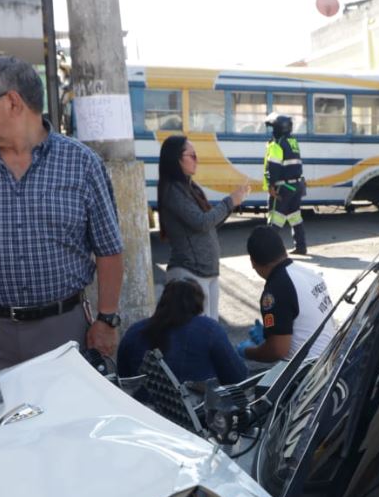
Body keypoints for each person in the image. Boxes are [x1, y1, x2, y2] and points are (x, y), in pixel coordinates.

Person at [0, 55, 125, 382]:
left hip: (62, 332)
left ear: (13, 101)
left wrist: (106, 320)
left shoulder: (82, 164)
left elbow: (109, 248)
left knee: (63, 428)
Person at [157, 134, 248, 320]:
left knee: (211, 330)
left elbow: (209, 224)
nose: (197, 161)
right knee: (199, 333)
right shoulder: (173, 190)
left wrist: (232, 204)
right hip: (190, 274)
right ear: (176, 159)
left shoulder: (191, 187)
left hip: (207, 271)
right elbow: (201, 222)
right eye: (192, 156)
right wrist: (230, 201)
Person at [117, 278, 248, 384]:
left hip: (143, 410)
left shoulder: (135, 331)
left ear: (162, 302)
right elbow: (238, 377)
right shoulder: (209, 330)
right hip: (196, 412)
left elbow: (124, 379)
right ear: (198, 305)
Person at [239, 225, 336, 363]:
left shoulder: (276, 289)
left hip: (308, 372)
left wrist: (248, 352)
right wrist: (271, 332)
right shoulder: (309, 274)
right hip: (332, 358)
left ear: (253, 262)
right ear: (283, 250)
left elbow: (277, 350)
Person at [263, 114, 307, 255]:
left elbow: (274, 168)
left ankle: (268, 252)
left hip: (283, 187)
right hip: (297, 185)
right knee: (295, 216)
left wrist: (271, 186)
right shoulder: (292, 141)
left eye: (273, 128)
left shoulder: (277, 144)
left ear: (279, 129)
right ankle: (301, 247)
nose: (271, 131)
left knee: (275, 219)